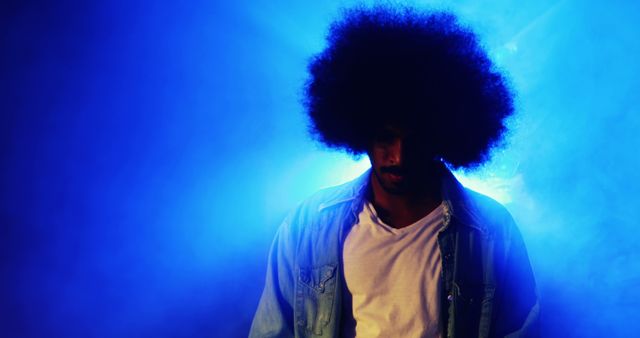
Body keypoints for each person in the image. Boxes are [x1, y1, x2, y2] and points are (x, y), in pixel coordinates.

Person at [250, 5, 538, 338]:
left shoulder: (491, 229)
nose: (399, 156)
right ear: (359, 130)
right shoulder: (308, 224)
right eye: (385, 136)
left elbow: (523, 331)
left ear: (443, 136)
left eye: (415, 139)